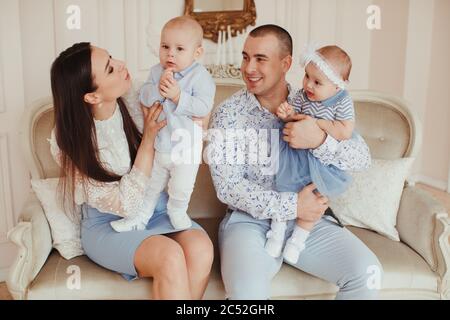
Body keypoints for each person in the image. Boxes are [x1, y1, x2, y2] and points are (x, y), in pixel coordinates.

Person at [207, 25, 382, 300]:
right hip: (250, 223)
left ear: (286, 63)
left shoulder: (315, 101)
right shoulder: (228, 115)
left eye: (260, 59)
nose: (248, 68)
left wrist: (319, 140)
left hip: (308, 222)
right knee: (246, 293)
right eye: (245, 57)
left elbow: (361, 158)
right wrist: (293, 204)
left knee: (368, 271)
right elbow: (228, 187)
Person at [49, 42, 214, 299]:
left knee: (201, 248)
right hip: (108, 224)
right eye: (110, 69)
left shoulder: (138, 95)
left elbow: (190, 111)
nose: (121, 65)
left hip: (156, 210)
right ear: (92, 96)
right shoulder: (68, 141)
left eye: (112, 57)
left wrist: (197, 120)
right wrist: (148, 141)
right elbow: (126, 205)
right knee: (169, 256)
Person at [111, 16, 216, 232]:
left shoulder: (200, 77)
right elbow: (144, 96)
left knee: (181, 187)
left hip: (186, 147)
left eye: (179, 49)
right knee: (151, 187)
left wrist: (178, 97)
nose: (170, 54)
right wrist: (158, 89)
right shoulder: (156, 72)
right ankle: (140, 217)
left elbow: (203, 107)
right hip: (161, 144)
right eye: (165, 46)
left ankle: (177, 211)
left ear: (197, 53)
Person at [266, 44, 361, 264]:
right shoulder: (301, 96)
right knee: (284, 189)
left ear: (337, 87)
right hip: (294, 156)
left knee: (317, 199)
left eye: (317, 82)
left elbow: (345, 131)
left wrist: (316, 124)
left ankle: (298, 240)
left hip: (321, 162)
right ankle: (277, 232)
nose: (308, 84)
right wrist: (287, 113)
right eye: (307, 76)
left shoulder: (342, 101)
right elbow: (291, 116)